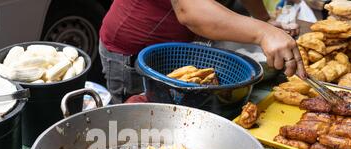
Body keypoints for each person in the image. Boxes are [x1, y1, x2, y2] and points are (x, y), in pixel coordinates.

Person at [99, 0, 306, 104]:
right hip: (134, 55)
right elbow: (190, 10)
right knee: (138, 132)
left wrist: (264, 19)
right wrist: (263, 32)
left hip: (180, 49)